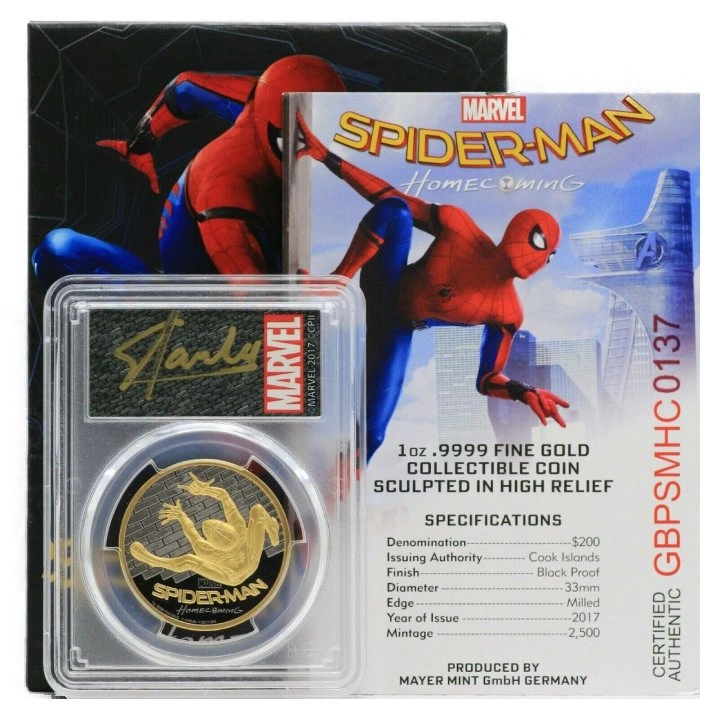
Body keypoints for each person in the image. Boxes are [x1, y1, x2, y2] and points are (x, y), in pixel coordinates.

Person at [296, 112, 569, 459]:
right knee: (396, 211)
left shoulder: (508, 314)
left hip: (397, 328)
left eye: (551, 256)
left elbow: (487, 379)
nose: (541, 259)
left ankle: (334, 486)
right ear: (518, 229)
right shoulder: (459, 228)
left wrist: (524, 391)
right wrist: (328, 157)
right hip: (386, 281)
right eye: (539, 242)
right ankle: (333, 285)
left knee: (372, 436)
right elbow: (387, 198)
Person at [32, 56, 346, 286]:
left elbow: (185, 87)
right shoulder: (225, 183)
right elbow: (252, 291)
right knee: (57, 249)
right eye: (293, 140)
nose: (311, 150)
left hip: (252, 265)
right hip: (190, 297)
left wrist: (139, 145)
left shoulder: (267, 99)